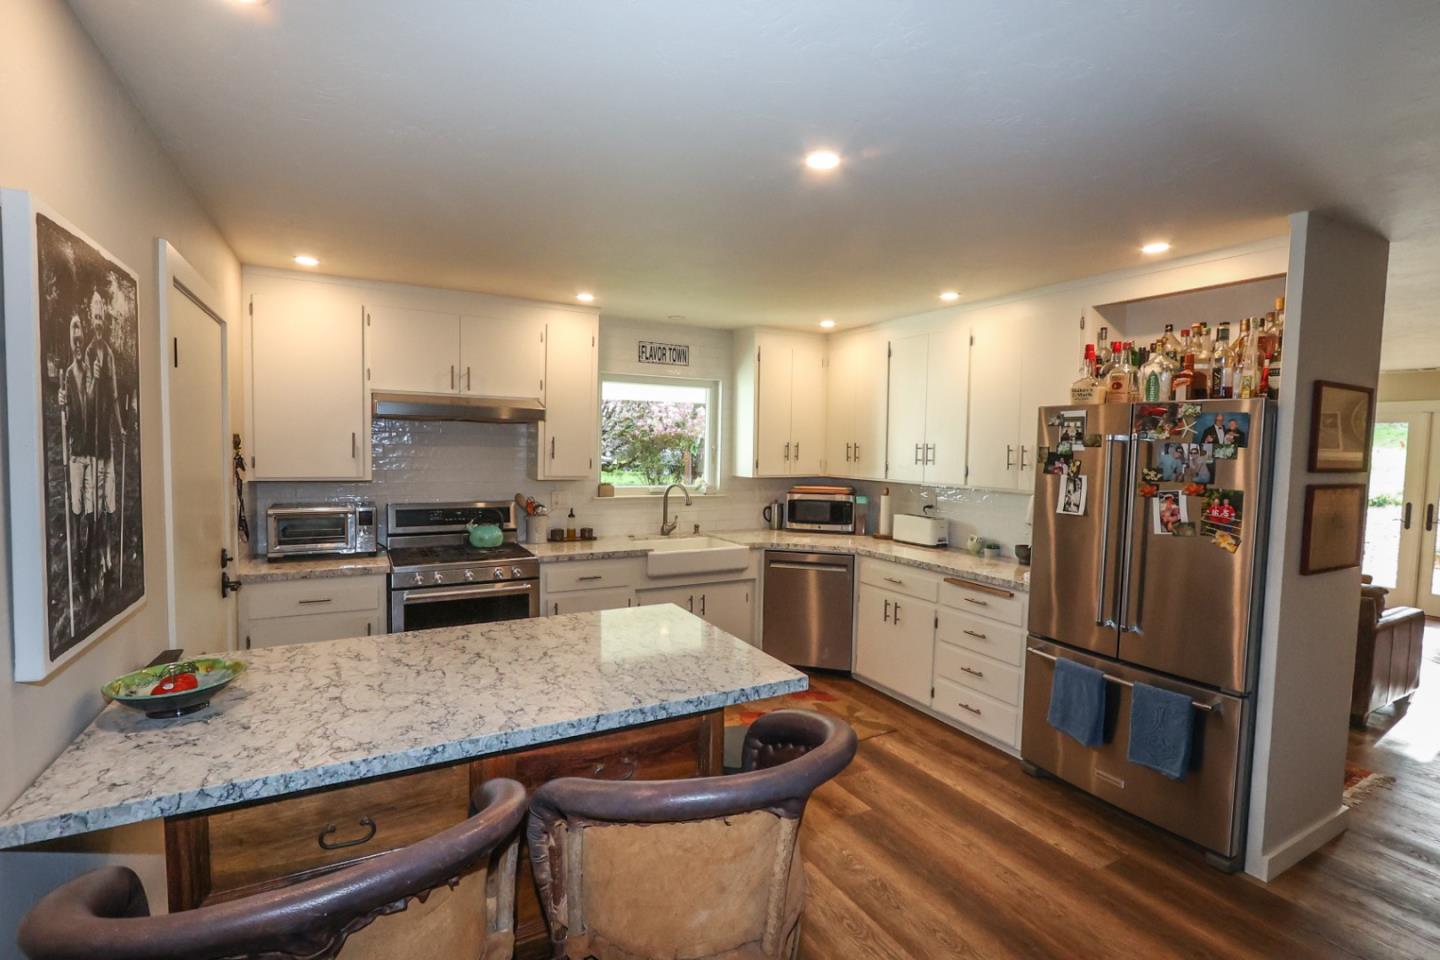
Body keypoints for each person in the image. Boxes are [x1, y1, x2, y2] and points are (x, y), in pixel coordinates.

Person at [85, 289, 126, 595]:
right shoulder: (86, 355)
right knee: (93, 509)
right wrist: (92, 380)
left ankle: (109, 561)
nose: (98, 322)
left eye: (102, 317)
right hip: (88, 446)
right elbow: (84, 402)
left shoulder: (109, 354)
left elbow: (113, 395)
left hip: (107, 444)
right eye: (95, 316)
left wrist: (121, 427)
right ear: (90, 319)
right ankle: (95, 566)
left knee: (108, 506)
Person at [57, 313, 94, 598]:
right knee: (77, 508)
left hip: (91, 451)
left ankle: (89, 560)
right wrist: (62, 403)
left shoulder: (90, 372)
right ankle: (79, 564)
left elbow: (95, 410)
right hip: (76, 453)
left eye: (80, 329)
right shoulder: (68, 375)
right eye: (73, 330)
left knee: (91, 511)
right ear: (71, 341)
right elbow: (68, 418)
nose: (77, 336)